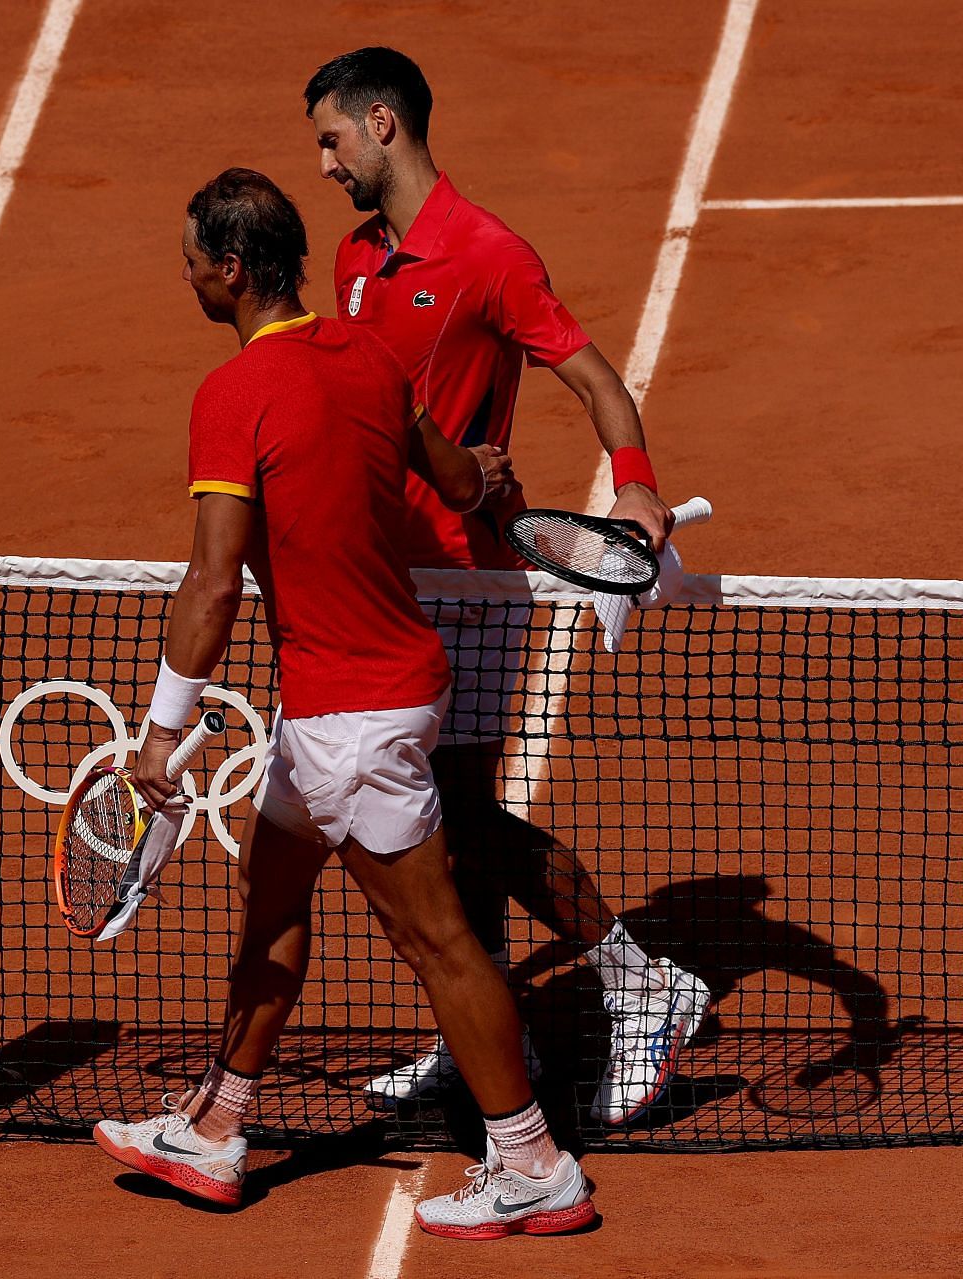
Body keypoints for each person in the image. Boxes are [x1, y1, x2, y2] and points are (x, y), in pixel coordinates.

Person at [91, 168, 595, 1240]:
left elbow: (215, 583)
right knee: (268, 897)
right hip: (346, 703)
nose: (182, 272)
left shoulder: (231, 396)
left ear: (229, 271)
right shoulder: (370, 355)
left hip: (351, 717)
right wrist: (485, 472)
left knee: (440, 943)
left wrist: (161, 736)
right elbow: (459, 484)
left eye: (189, 257)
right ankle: (217, 1124)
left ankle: (533, 1161)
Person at [304, 47, 713, 1127]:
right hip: (388, 575)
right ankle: (479, 1025)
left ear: (383, 123)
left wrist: (635, 490)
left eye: (332, 140)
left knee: (465, 821)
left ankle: (643, 983)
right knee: (428, 821)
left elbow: (594, 379)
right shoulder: (353, 257)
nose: (327, 163)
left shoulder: (490, 256)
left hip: (474, 584)